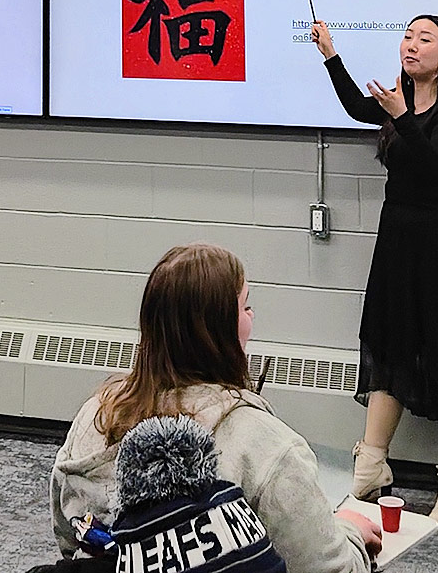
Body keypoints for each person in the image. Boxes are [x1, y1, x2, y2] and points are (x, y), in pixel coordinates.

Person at [50, 243, 381, 573]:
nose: (251, 316)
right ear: (219, 331)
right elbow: (328, 569)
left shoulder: (94, 416)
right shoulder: (265, 444)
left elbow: (70, 541)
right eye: (245, 306)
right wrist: (350, 531)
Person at [311, 15, 438, 525]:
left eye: (424, 39)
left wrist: (403, 115)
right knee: (389, 345)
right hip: (395, 241)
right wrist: (330, 54)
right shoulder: (395, 102)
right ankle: (371, 464)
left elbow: (436, 165)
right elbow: (353, 105)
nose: (411, 45)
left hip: (437, 245)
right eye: (407, 36)